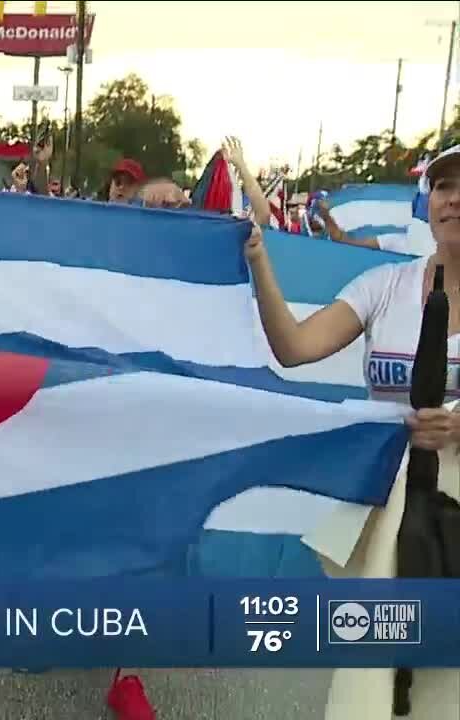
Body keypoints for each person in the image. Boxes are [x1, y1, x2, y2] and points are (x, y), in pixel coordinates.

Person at [247, 145, 460, 720]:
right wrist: (260, 260)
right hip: (388, 516)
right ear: (429, 202)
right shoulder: (384, 285)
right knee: (373, 683)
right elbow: (295, 348)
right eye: (444, 187)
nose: (455, 198)